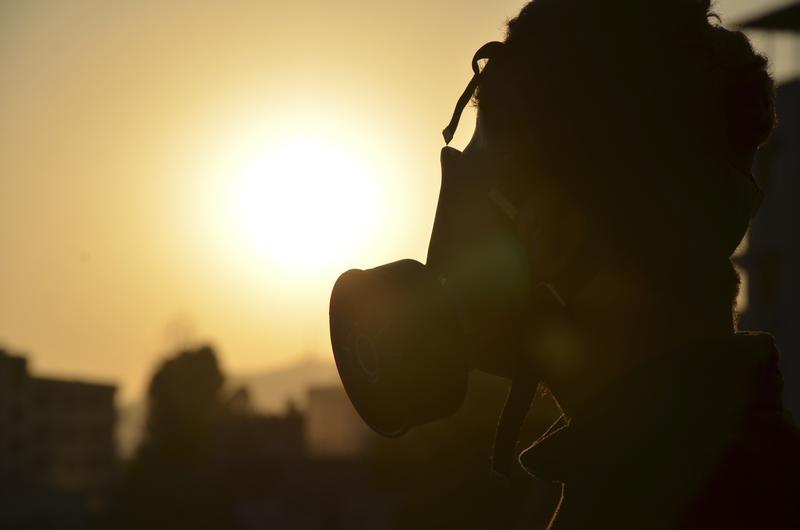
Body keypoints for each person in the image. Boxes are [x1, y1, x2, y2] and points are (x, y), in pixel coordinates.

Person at [466, 0, 800, 527]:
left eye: (503, 193)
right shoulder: (753, 469)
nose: (468, 242)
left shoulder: (646, 501)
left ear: (568, 223)